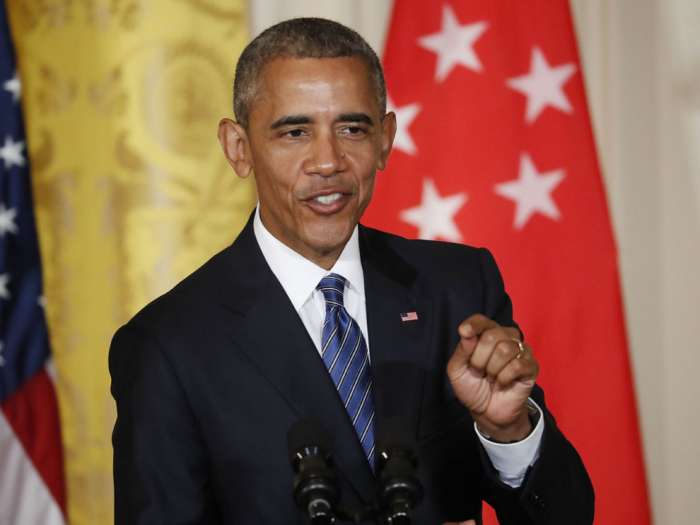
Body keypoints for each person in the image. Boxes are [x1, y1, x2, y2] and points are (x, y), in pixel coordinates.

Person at [109, 17, 593, 524]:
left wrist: (509, 431)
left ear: (385, 139)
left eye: (352, 128)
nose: (328, 161)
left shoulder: (456, 288)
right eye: (295, 132)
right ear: (238, 148)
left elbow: (567, 514)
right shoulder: (168, 346)